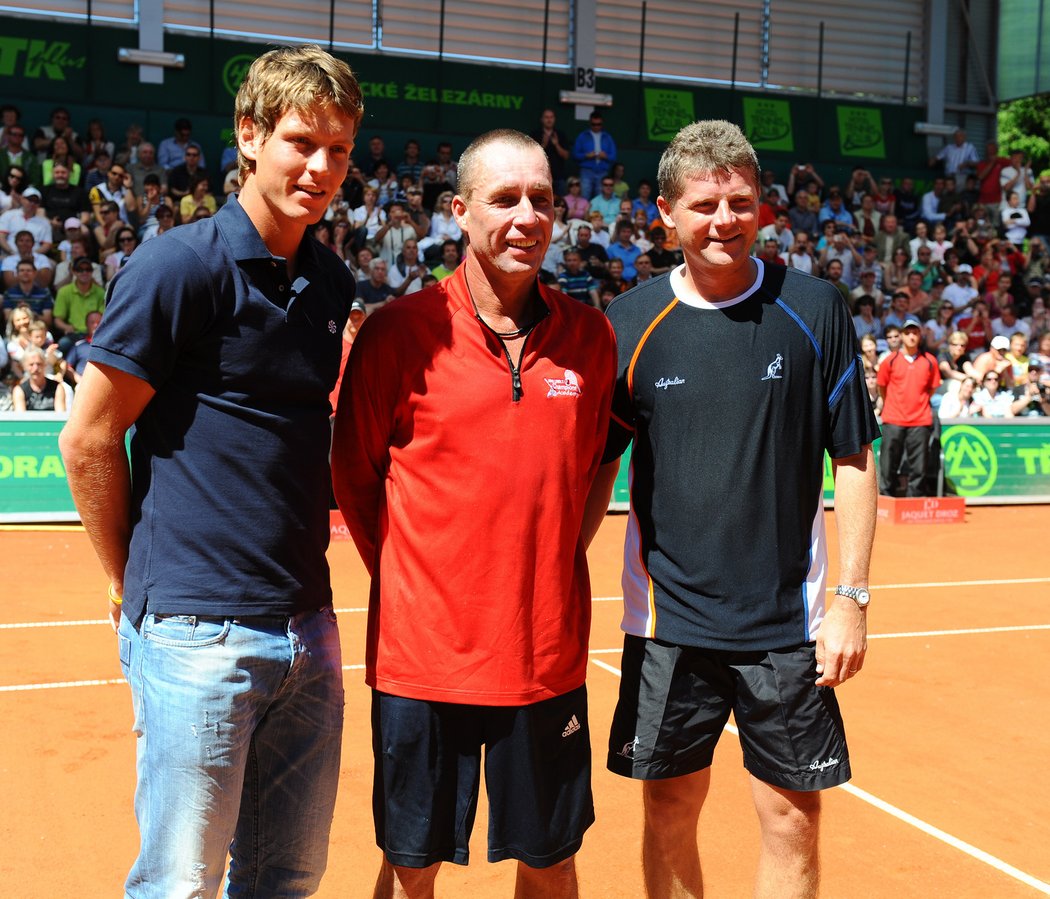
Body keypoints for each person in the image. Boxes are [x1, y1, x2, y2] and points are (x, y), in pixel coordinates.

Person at [58, 45, 363, 898]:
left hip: (308, 626)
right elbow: (88, 439)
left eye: (339, 149)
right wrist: (131, 581)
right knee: (180, 885)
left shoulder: (330, 281)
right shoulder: (177, 266)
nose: (321, 166)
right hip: (195, 631)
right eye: (303, 140)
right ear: (249, 134)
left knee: (286, 877)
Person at [596, 120, 878, 899]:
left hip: (786, 625)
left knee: (793, 818)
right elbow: (597, 469)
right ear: (666, 214)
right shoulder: (628, 322)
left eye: (741, 201)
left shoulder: (816, 307)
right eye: (704, 205)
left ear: (764, 207)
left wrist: (850, 600)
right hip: (667, 624)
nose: (724, 220)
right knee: (668, 809)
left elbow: (854, 459)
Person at [331, 128, 616, 899]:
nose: (527, 216)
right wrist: (421, 576)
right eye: (504, 198)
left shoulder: (591, 340)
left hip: (544, 655)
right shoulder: (397, 333)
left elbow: (595, 464)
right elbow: (355, 478)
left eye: (543, 200)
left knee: (552, 859)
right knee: (411, 863)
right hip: (423, 658)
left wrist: (556, 556)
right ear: (459, 210)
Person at [877, 318, 941, 496]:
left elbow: (933, 387)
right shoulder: (889, 361)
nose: (911, 336)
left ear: (920, 336)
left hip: (920, 419)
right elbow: (882, 386)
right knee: (889, 461)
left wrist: (918, 402)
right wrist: (892, 403)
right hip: (893, 418)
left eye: (915, 333)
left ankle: (915, 498)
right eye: (908, 333)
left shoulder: (930, 361)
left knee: (919, 464)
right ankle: (886, 495)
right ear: (902, 336)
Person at [573, 109, 617, 199]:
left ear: (602, 123)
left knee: (601, 197)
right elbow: (575, 154)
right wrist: (586, 155)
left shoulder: (607, 137)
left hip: (602, 171)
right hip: (586, 171)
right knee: (584, 196)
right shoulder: (583, 136)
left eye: (599, 124)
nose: (596, 126)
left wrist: (606, 156)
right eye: (594, 124)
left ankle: (598, 214)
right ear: (590, 123)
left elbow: (613, 156)